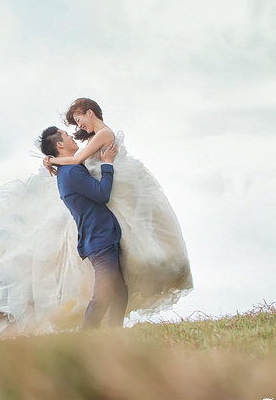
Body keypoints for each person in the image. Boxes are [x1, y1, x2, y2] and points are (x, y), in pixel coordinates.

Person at [45, 98, 193, 316]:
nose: (78, 127)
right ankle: (101, 337)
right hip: (103, 213)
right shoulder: (94, 139)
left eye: (79, 120)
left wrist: (53, 161)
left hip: (114, 196)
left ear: (90, 113)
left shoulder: (104, 134)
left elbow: (77, 161)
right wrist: (52, 161)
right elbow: (79, 163)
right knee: (113, 290)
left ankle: (103, 337)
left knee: (117, 286)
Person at [41, 126, 127, 328]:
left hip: (101, 235)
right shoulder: (71, 172)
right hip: (100, 238)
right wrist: (107, 164)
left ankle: (116, 339)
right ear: (60, 144)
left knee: (120, 291)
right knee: (103, 295)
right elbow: (102, 194)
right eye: (67, 135)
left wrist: (51, 160)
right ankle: (87, 337)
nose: (72, 136)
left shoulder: (69, 167)